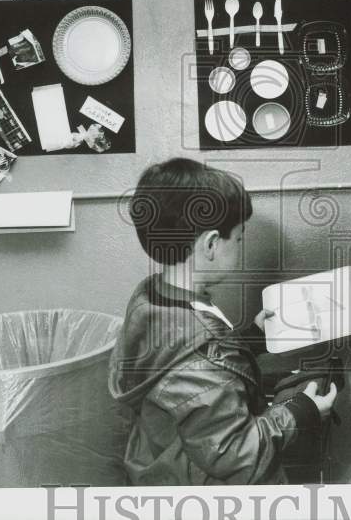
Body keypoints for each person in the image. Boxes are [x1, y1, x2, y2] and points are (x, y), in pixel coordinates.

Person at [109, 157, 337, 486]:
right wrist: (302, 411)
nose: (241, 247)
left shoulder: (154, 296)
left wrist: (250, 339)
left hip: (169, 465)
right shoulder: (199, 355)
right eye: (239, 239)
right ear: (212, 243)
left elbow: (189, 366)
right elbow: (239, 456)